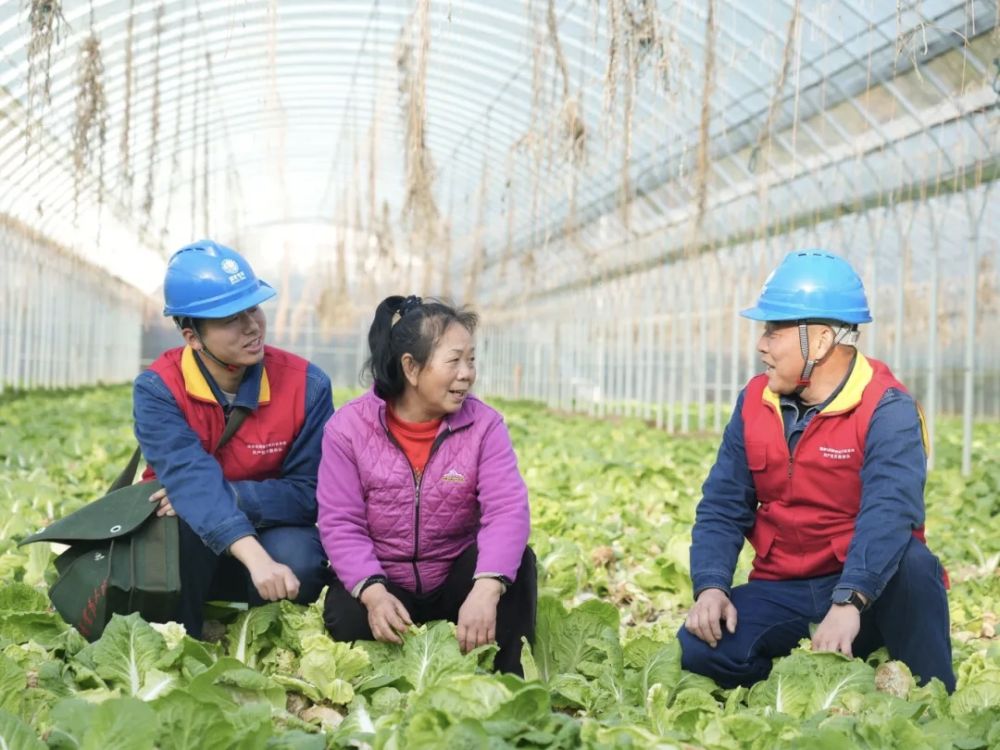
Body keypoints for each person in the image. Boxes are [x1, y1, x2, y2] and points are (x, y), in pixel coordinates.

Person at [679, 250, 955, 692]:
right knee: (700, 647)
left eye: (774, 330)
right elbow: (723, 504)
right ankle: (817, 685)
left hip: (867, 590)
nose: (761, 345)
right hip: (786, 585)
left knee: (914, 565)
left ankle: (929, 692)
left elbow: (889, 511)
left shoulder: (888, 408)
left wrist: (850, 600)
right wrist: (710, 586)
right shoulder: (754, 401)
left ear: (821, 341)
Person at [317, 295, 535, 674]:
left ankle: (508, 681)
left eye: (471, 360)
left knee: (517, 568)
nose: (467, 373)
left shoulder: (485, 426)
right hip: (388, 584)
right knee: (344, 613)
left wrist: (485, 589)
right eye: (454, 361)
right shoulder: (347, 429)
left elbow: (507, 510)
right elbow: (341, 522)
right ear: (411, 368)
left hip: (454, 580)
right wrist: (373, 594)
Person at [133, 239, 334, 638]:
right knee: (180, 522)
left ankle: (265, 647)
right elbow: (189, 480)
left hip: (271, 528)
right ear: (192, 336)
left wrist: (237, 496)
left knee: (301, 559)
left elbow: (312, 491)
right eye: (229, 319)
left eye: (253, 308)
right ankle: (182, 643)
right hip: (186, 531)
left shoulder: (307, 385)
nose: (252, 326)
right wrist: (255, 559)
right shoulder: (158, 388)